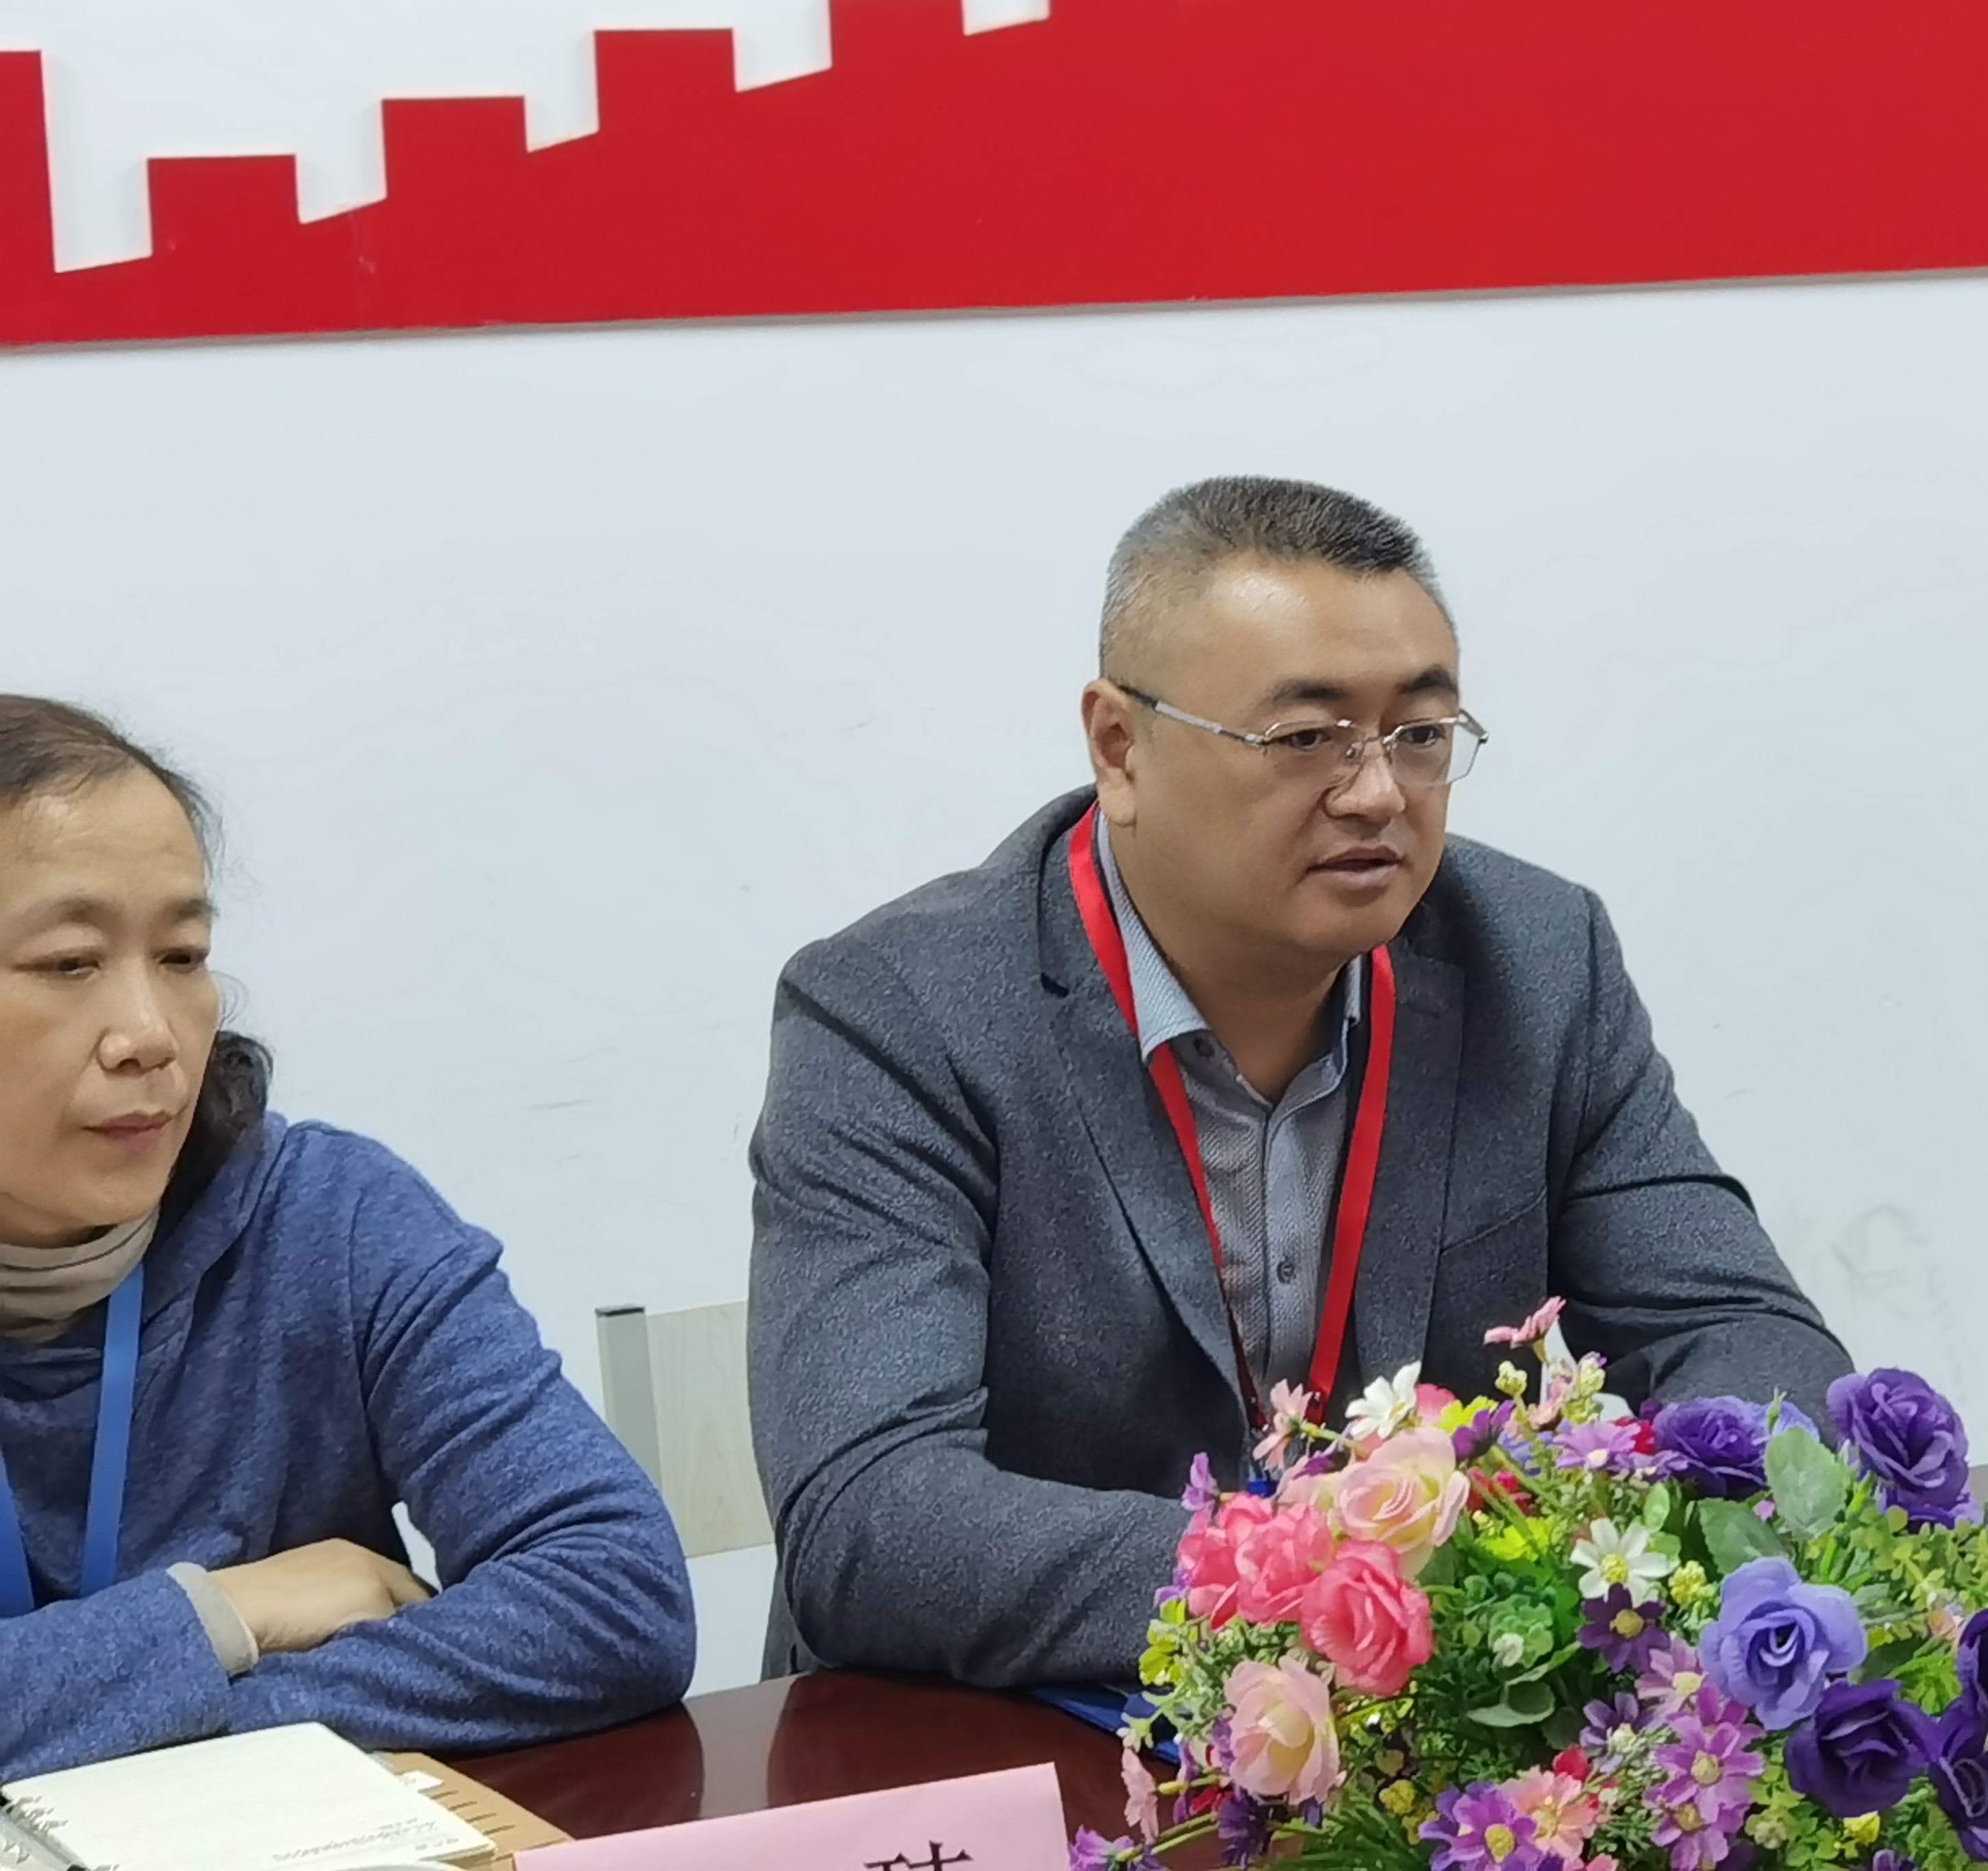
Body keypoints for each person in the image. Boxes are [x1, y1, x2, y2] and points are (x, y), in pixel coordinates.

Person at [750, 476, 1850, 1686]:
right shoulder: (901, 1014)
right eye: (1305, 740)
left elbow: (1746, 1339)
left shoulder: (1540, 961)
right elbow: (874, 1519)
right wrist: (1323, 1575)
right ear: (1120, 747)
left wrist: (1583, 1557)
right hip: (1031, 1722)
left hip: (1424, 1729)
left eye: (1420, 735)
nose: (1377, 792)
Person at [0, 698, 694, 1778]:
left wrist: (154, 1728)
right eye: (69, 963)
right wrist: (227, 1614)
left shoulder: (331, 1221)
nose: (150, 1035)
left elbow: (617, 1596)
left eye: (182, 955)